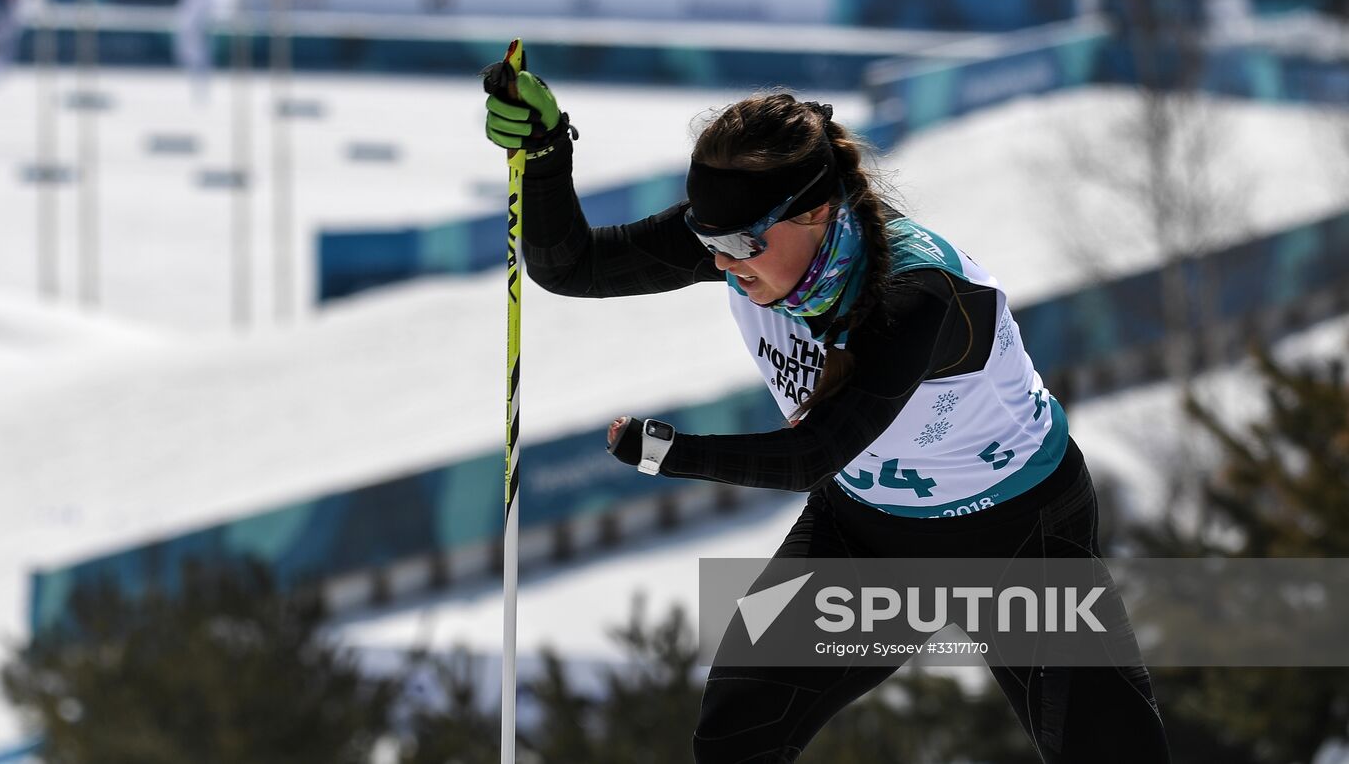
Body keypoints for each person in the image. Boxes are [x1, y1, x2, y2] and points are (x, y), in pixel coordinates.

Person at [483, 66, 1172, 764]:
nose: (722, 264)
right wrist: (544, 157)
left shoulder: (921, 294)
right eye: (707, 239)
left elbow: (815, 453)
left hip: (1016, 536)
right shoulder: (745, 242)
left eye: (742, 243)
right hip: (868, 537)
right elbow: (573, 266)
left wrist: (668, 451)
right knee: (736, 734)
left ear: (815, 213)